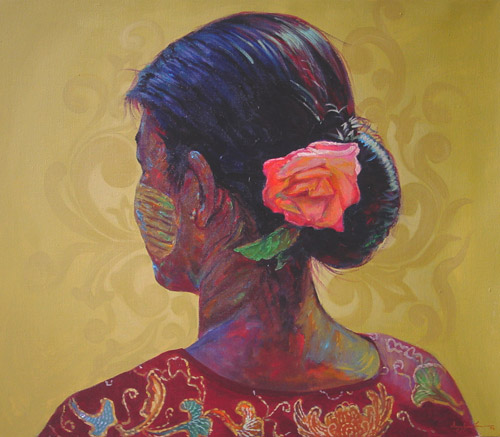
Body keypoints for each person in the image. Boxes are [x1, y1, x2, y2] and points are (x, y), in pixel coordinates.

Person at [40, 13, 477, 436]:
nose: (143, 193)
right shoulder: (421, 391)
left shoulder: (112, 421)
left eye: (147, 165)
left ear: (199, 188)